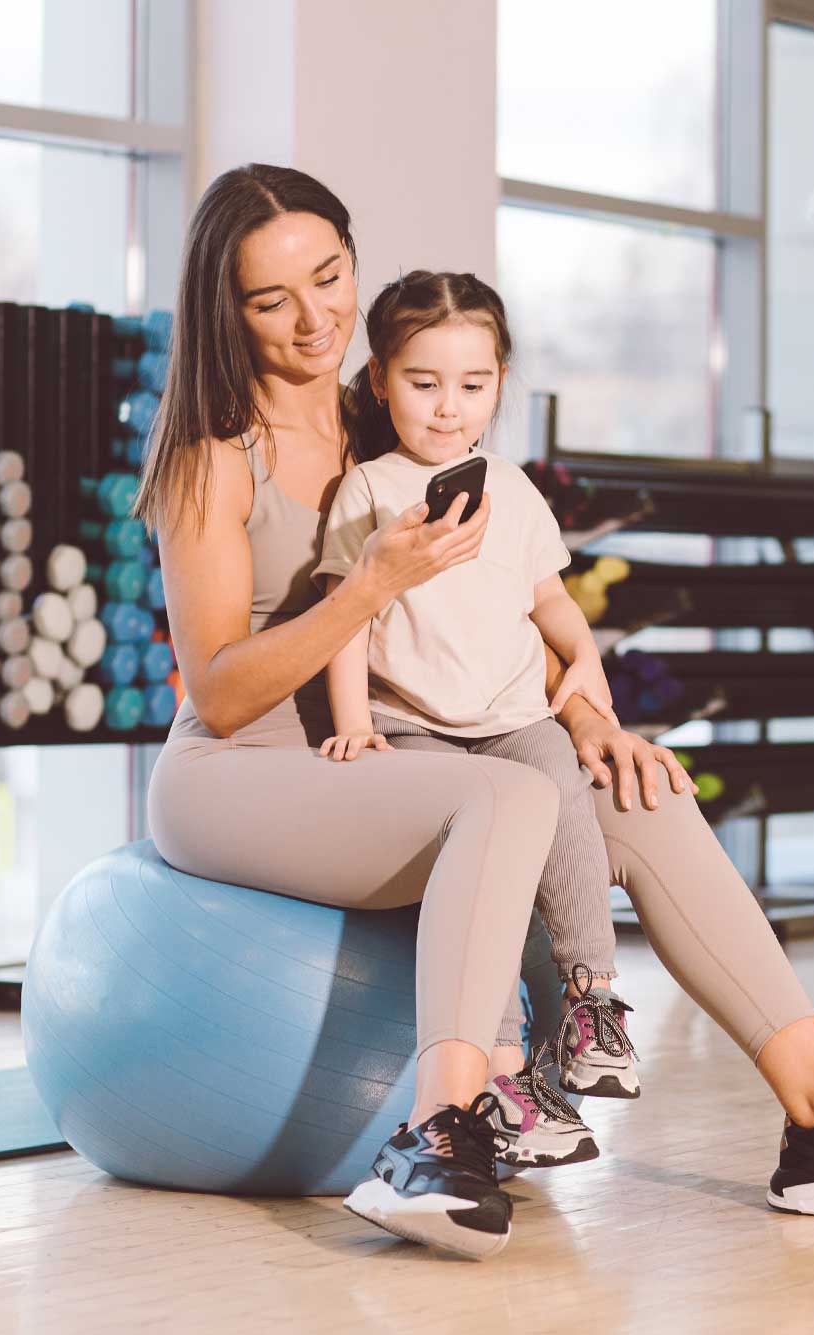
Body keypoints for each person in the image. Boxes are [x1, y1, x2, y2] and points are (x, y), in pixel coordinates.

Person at [137, 163, 814, 1261]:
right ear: (226, 310)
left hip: (405, 754)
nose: (315, 319)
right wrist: (368, 586)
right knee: (500, 795)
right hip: (239, 776)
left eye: (331, 277)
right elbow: (217, 686)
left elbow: (507, 610)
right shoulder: (214, 457)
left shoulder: (397, 418)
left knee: (647, 797)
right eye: (271, 301)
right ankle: (436, 1133)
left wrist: (587, 714)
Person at [313, 269, 641, 1175]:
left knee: (565, 796)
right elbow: (347, 616)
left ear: (500, 382)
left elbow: (549, 600)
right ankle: (499, 1074)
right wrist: (352, 722)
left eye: (474, 385)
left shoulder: (516, 488)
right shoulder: (367, 490)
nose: (450, 409)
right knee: (488, 870)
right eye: (424, 384)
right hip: (415, 728)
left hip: (512, 715)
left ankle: (591, 1002)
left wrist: (586, 666)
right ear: (380, 380)